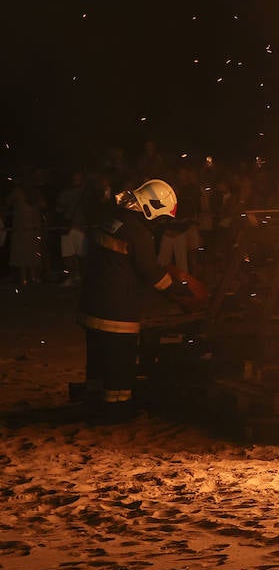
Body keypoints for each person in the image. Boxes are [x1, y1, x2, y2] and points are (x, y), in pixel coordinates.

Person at [79, 178, 203, 422]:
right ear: (151, 206)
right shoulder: (138, 232)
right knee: (119, 367)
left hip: (91, 305)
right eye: (161, 217)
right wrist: (181, 293)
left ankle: (93, 405)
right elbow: (153, 275)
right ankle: (118, 412)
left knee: (97, 362)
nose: (160, 224)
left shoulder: (111, 219)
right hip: (117, 313)